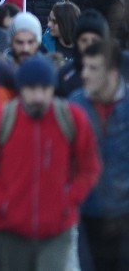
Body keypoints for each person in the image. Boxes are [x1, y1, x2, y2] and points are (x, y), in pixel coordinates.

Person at [0, 56, 101, 271]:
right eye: (31, 88)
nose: (38, 96)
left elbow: (90, 167)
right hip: (12, 230)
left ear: (53, 88)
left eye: (44, 88)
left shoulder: (71, 118)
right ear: (20, 89)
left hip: (57, 230)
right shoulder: (1, 119)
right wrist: (2, 202)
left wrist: (69, 199)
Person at [70, 40, 129, 269]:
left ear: (112, 73)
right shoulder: (74, 105)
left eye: (93, 68)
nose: (84, 74)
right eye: (84, 67)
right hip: (86, 216)